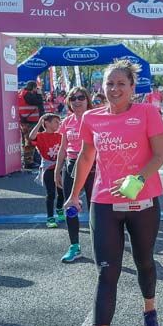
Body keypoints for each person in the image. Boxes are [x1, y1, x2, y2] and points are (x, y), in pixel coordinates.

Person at [65, 60, 163, 326]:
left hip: (143, 200)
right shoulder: (92, 119)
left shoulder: (147, 113)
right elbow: (85, 157)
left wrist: (137, 181)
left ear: (133, 88)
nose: (115, 89)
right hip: (104, 202)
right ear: (102, 87)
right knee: (107, 271)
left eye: (121, 84)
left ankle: (149, 309)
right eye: (110, 84)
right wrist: (73, 195)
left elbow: (160, 154)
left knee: (144, 261)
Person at [54, 87, 94, 264]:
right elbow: (63, 148)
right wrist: (57, 169)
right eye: (73, 99)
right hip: (70, 165)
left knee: (98, 208)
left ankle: (102, 244)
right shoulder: (67, 121)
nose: (77, 101)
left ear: (87, 100)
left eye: (81, 98)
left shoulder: (96, 119)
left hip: (93, 167)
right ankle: (74, 246)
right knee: (70, 207)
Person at [29, 113, 65, 229]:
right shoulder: (41, 136)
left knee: (62, 192)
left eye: (59, 122)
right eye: (55, 122)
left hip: (60, 167)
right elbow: (31, 137)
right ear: (47, 123)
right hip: (48, 168)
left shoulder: (60, 135)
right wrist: (39, 122)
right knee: (51, 193)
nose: (58, 124)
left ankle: (59, 209)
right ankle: (50, 218)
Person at [18, 81, 45, 169]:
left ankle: (29, 160)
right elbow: (39, 102)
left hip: (24, 119)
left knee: (25, 142)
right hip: (29, 121)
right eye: (35, 88)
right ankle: (29, 162)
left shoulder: (21, 93)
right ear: (33, 87)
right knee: (30, 142)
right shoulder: (28, 95)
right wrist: (39, 94)